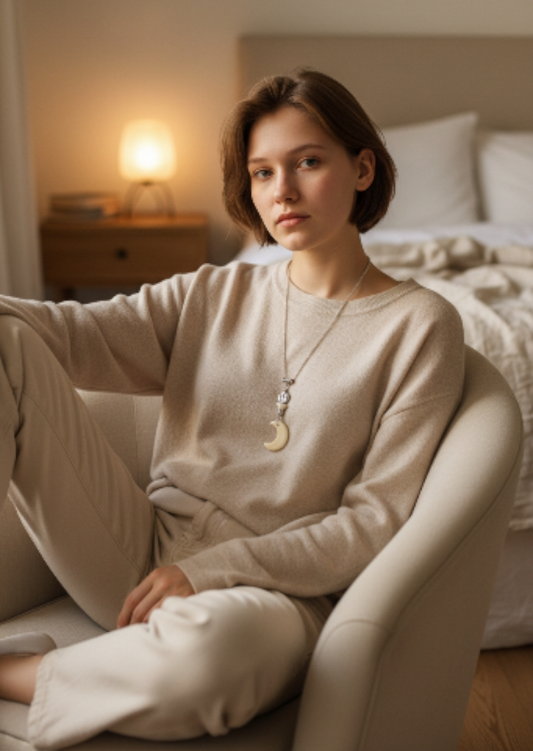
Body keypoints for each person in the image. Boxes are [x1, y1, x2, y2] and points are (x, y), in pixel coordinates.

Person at [0, 69, 464, 749]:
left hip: (273, 597)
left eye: (308, 162)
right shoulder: (214, 293)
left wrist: (209, 572)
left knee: (208, 663)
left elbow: (373, 523)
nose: (283, 191)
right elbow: (63, 334)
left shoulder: (420, 325)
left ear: (362, 168)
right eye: (262, 172)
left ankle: (18, 673)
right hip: (137, 551)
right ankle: (109, 670)